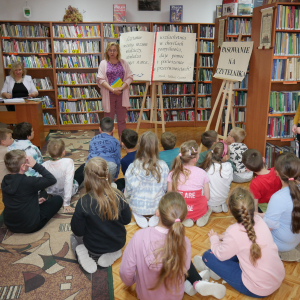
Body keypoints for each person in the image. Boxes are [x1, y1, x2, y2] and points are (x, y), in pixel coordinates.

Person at [119, 192, 226, 300]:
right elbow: (184, 269)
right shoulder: (184, 242)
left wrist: (131, 281)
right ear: (182, 219)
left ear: (157, 213)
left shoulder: (139, 237)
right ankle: (195, 283)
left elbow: (125, 271)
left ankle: (195, 283)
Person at [194, 187, 285, 298]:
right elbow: (244, 241)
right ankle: (216, 272)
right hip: (277, 277)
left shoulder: (233, 231)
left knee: (208, 255)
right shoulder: (259, 220)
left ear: (231, 210)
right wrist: (223, 237)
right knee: (235, 251)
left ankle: (214, 270)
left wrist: (214, 239)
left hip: (257, 289)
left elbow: (221, 255)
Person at [70, 157, 131, 274]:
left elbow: (78, 231)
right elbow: (127, 220)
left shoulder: (83, 202)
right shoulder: (119, 196)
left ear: (87, 179)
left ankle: (83, 254)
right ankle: (114, 252)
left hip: (93, 247)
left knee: (73, 236)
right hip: (118, 242)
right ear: (108, 174)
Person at [1, 150, 63, 233]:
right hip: (30, 226)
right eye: (27, 160)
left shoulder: (5, 180)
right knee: (57, 199)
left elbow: (19, 197)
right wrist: (35, 165)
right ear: (23, 167)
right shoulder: (29, 181)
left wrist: (34, 202)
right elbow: (51, 179)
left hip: (11, 225)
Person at [125, 131, 168, 229]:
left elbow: (130, 191)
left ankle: (138, 213)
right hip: (156, 206)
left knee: (126, 192)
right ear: (156, 148)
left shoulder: (132, 167)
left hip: (137, 205)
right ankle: (153, 214)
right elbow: (165, 188)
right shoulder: (163, 166)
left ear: (139, 147)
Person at [262, 153, 300, 261]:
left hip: (281, 244)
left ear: (276, 173)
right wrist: (261, 215)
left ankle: (286, 254)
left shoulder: (278, 197)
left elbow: (266, 228)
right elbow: (287, 213)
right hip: (295, 238)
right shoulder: (294, 191)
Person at [167, 140, 211, 227]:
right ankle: (200, 217)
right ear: (195, 159)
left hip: (180, 210)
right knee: (206, 205)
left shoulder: (173, 173)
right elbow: (207, 197)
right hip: (198, 209)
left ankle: (185, 218)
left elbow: (169, 195)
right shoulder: (202, 173)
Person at [97, 42, 133, 140]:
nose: (112, 52)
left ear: (118, 51)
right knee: (109, 121)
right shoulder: (103, 63)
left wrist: (121, 88)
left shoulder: (124, 63)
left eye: (114, 50)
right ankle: (109, 142)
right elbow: (101, 79)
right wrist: (112, 90)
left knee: (121, 121)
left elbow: (130, 77)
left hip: (122, 94)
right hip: (109, 95)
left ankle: (123, 142)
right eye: (110, 50)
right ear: (107, 51)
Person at [42, 139, 84, 213]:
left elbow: (39, 182)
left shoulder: (44, 165)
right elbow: (68, 181)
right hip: (68, 191)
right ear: (63, 152)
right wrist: (66, 203)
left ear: (49, 152)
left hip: (52, 192)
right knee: (84, 167)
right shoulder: (68, 161)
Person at [200, 141, 233, 213]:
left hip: (210, 200)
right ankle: (221, 203)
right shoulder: (229, 167)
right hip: (223, 198)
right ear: (226, 157)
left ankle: (213, 206)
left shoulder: (207, 168)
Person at [86, 117, 121, 182]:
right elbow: (118, 160)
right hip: (110, 166)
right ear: (113, 129)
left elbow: (90, 155)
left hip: (93, 165)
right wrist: (116, 176)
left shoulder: (93, 139)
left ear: (99, 129)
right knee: (108, 183)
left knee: (93, 182)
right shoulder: (116, 141)